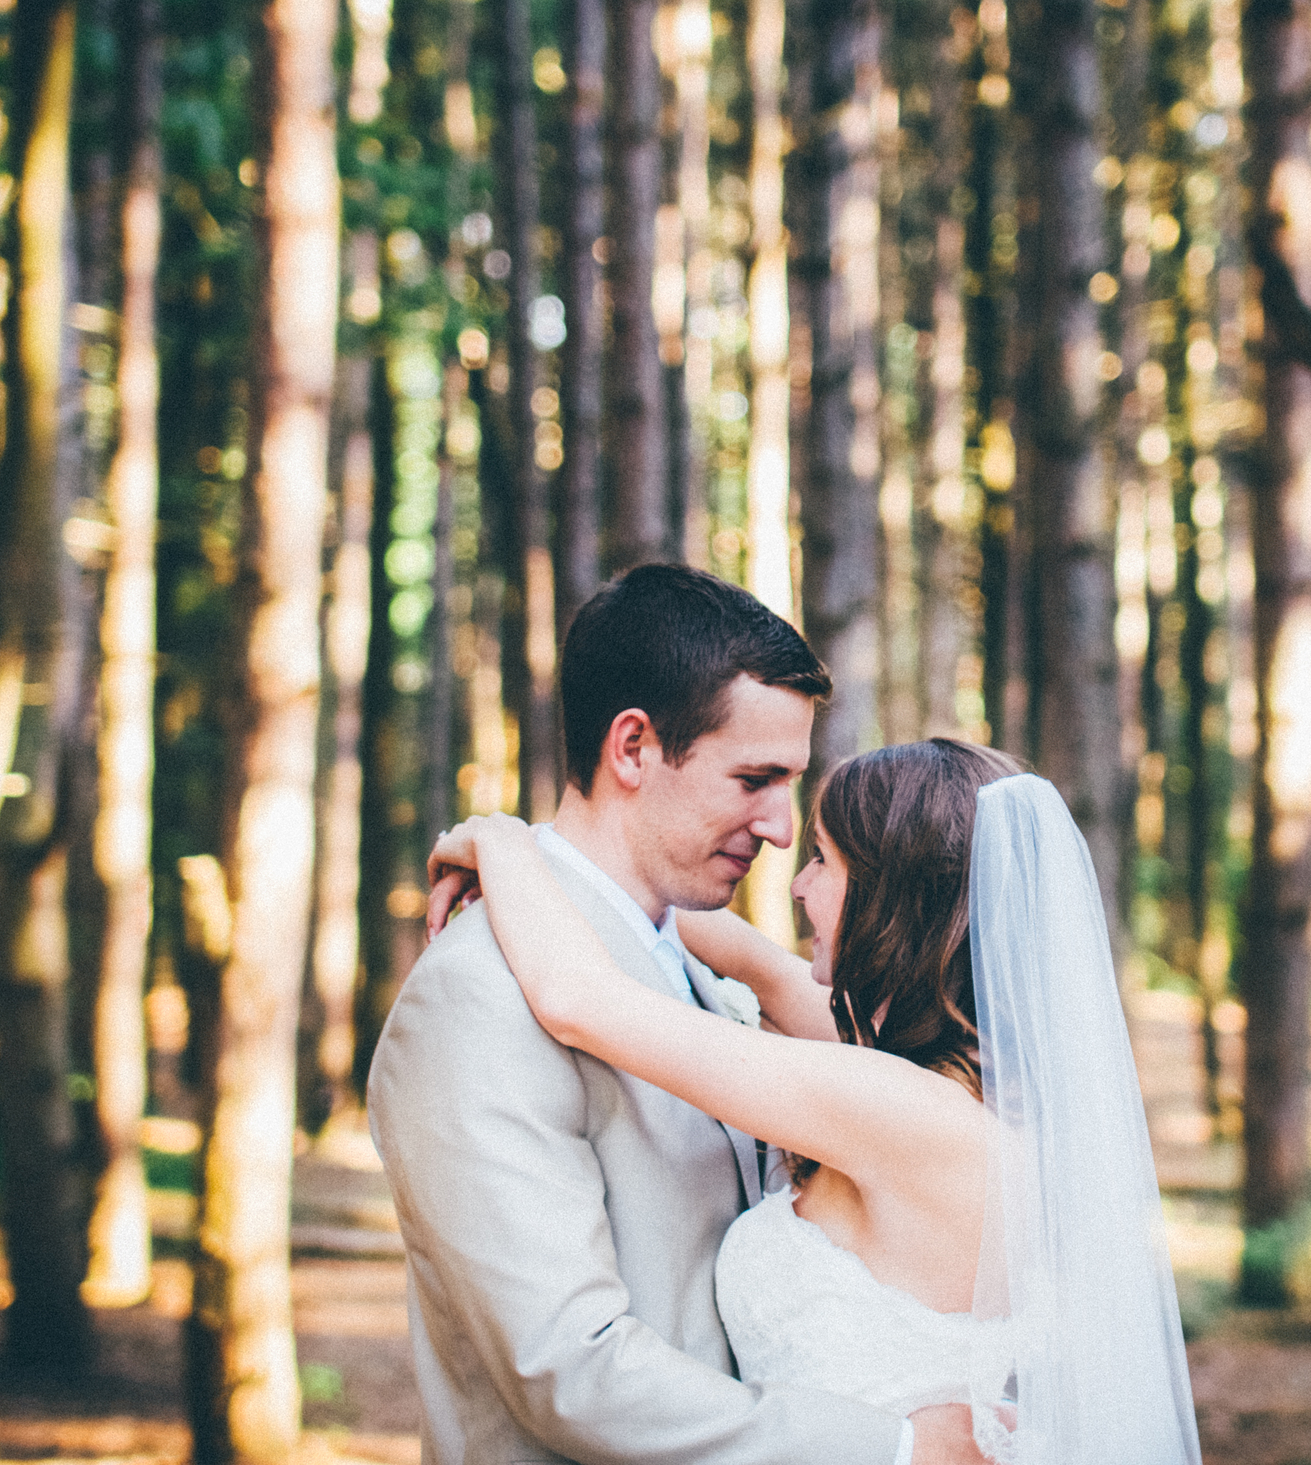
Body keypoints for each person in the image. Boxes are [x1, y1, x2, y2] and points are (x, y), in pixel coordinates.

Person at [425, 739, 1203, 1463]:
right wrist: (583, 859)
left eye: (824, 861)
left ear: (893, 899)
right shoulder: (958, 1095)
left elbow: (578, 999)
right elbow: (758, 962)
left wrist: (502, 845)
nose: (798, 886)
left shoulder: (891, 1106)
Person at [367, 564, 983, 1465]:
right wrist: (888, 1448)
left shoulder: (704, 973)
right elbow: (568, 1371)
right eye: (754, 778)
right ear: (632, 749)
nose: (780, 827)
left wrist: (505, 841)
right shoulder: (476, 996)